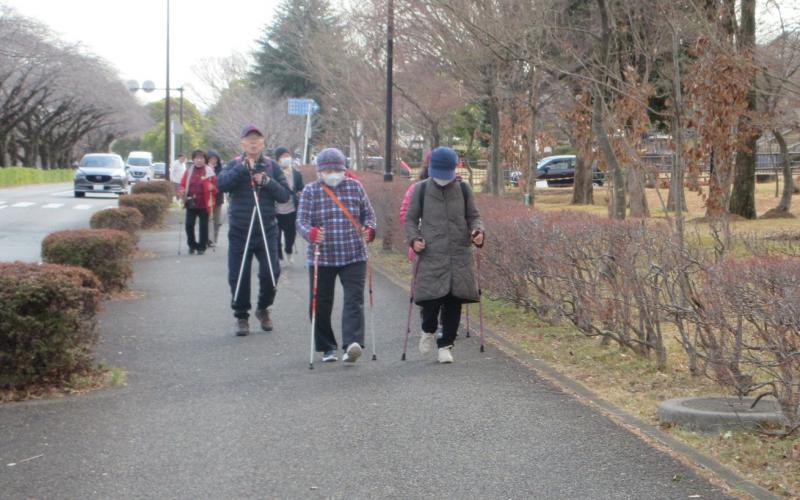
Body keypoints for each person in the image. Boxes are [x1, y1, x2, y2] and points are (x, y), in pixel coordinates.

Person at [296, 148, 377, 364]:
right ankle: (326, 347)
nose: (333, 173)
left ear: (344, 169)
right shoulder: (310, 191)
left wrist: (369, 229)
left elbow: (369, 215)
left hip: (353, 254)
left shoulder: (355, 187)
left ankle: (353, 344)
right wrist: (310, 233)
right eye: (328, 170)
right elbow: (301, 221)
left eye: (337, 169)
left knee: (354, 299)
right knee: (320, 302)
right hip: (322, 256)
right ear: (319, 171)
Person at [404, 147, 484, 364]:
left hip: (459, 253)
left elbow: (474, 217)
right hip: (431, 253)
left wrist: (478, 233)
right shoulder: (420, 189)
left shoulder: (464, 189)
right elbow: (410, 220)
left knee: (453, 301)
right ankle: (428, 330)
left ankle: (446, 345)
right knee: (430, 300)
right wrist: (414, 239)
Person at [217, 125, 291, 336]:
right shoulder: (233, 164)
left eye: (257, 139)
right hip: (240, 230)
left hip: (267, 228)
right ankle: (241, 316)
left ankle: (263, 308)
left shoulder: (272, 166)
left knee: (272, 272)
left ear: (263, 142)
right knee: (238, 275)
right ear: (242, 142)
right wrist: (242, 169)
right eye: (249, 139)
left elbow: (285, 195)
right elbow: (221, 184)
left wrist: (267, 182)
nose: (253, 142)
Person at [177, 150, 217, 255]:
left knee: (203, 226)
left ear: (205, 160)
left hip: (204, 203)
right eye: (197, 158)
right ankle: (192, 244)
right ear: (193, 159)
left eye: (202, 158)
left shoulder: (209, 171)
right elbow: (182, 184)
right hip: (191, 202)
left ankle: (201, 246)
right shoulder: (189, 171)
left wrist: (212, 187)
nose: (199, 160)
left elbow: (216, 187)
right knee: (189, 225)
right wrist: (181, 190)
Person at [273, 147, 304, 264]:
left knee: (290, 234)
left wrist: (300, 192)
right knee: (276, 235)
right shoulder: (274, 172)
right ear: (278, 159)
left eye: (287, 156)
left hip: (291, 209)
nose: (286, 158)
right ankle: (279, 257)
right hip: (276, 209)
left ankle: (288, 250)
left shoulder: (296, 173)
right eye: (283, 156)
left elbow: (301, 187)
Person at [206, 149, 225, 247]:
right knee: (208, 219)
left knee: (217, 220)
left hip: (218, 198)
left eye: (215, 159)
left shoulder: (220, 171)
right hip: (206, 198)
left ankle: (214, 239)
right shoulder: (204, 169)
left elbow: (222, 183)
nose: (213, 161)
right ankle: (208, 239)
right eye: (211, 159)